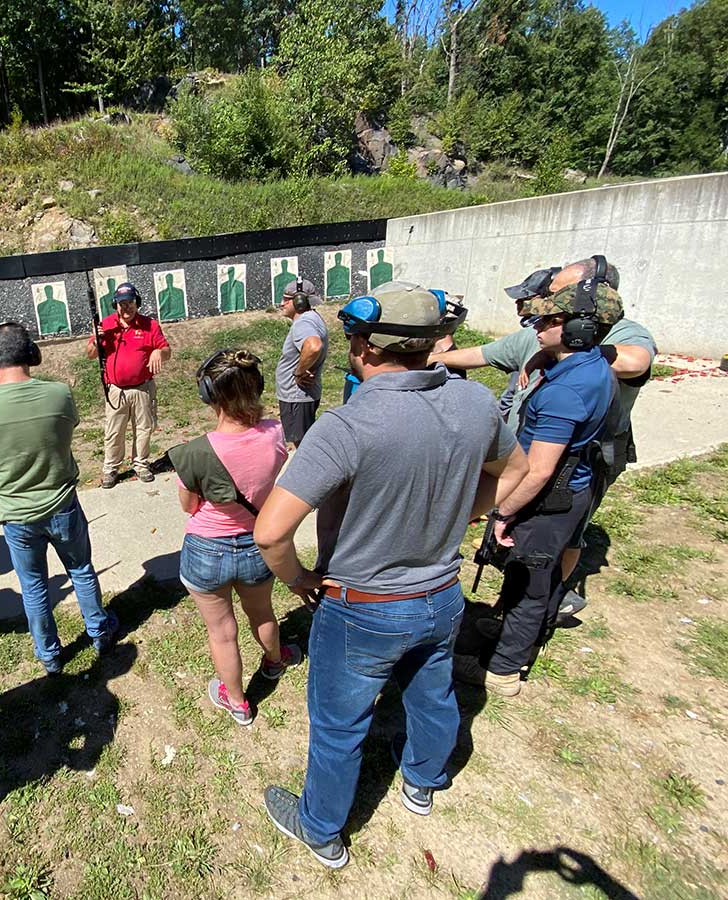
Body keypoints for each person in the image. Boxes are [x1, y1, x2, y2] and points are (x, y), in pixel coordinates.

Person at [252, 288, 526, 869]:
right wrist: (460, 514)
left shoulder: (346, 426)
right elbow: (516, 470)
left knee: (339, 725)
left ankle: (321, 829)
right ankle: (423, 781)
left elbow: (271, 534)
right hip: (441, 594)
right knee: (433, 693)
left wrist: (299, 580)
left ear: (364, 346)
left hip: (362, 607)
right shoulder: (476, 403)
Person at [431, 257, 655, 616]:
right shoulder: (545, 331)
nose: (549, 301)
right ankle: (516, 599)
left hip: (583, 459)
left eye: (560, 292)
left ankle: (548, 599)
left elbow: (637, 362)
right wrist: (428, 358)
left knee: (565, 533)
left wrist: (570, 347)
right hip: (533, 448)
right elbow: (482, 354)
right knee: (520, 525)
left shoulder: (624, 333)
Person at [453, 280, 622, 697]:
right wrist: (543, 356)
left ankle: (504, 670)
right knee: (532, 576)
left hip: (549, 499)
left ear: (580, 329)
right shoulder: (591, 364)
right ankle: (518, 635)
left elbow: (540, 469)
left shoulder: (566, 392)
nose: (538, 327)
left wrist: (504, 511)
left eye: (550, 321)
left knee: (530, 583)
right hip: (572, 490)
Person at [0, 323, 119, 675]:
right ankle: (99, 632)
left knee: (33, 586)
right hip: (62, 504)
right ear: (32, 353)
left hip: (16, 514)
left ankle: (49, 655)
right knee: (81, 570)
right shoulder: (59, 394)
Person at [168, 350, 299, 727]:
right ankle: (274, 660)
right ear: (256, 387)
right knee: (262, 612)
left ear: (209, 394)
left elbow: (189, 507)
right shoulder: (275, 433)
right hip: (257, 544)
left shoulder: (194, 452)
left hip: (206, 551)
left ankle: (238, 702)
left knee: (222, 632)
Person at [86, 282, 171, 489]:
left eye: (130, 303)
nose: (127, 307)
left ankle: (141, 464)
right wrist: (96, 340)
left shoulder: (150, 325)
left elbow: (167, 350)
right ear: (115, 305)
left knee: (144, 429)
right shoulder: (106, 325)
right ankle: (111, 469)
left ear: (137, 303)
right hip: (116, 390)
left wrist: (158, 352)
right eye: (122, 303)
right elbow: (90, 354)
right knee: (114, 431)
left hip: (143, 388)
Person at [275, 278, 327, 447]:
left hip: (297, 396)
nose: (282, 304)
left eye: (286, 299)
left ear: (299, 301)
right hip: (300, 397)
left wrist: (298, 373)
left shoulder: (304, 322)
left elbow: (313, 346)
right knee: (305, 443)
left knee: (303, 446)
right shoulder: (312, 318)